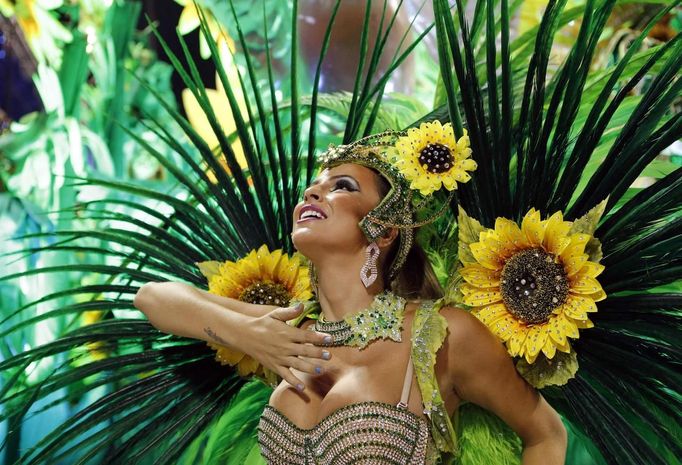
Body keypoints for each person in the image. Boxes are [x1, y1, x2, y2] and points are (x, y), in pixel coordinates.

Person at [134, 131, 567, 464]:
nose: (312, 193)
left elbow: (546, 433)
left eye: (341, 186)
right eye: (312, 187)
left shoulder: (441, 334)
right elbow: (153, 297)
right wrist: (244, 334)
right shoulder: (290, 335)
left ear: (383, 230)